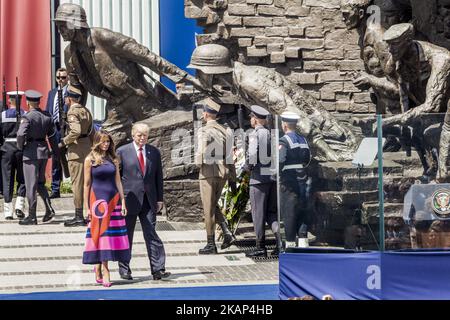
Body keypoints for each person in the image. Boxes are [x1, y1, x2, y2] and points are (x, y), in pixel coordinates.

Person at [53, 3, 204, 147]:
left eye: (62, 26)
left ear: (74, 24)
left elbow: (147, 57)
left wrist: (184, 77)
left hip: (140, 98)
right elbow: (77, 89)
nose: (60, 31)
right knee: (103, 143)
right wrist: (73, 118)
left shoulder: (103, 38)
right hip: (115, 104)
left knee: (157, 138)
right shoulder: (70, 54)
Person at [188, 44, 358, 162]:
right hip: (310, 137)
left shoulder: (251, 82)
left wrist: (329, 153)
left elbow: (291, 112)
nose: (197, 75)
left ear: (211, 72)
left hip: (327, 137)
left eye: (198, 71)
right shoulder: (238, 81)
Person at [117, 123, 170, 281]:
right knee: (127, 235)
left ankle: (158, 269)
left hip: (149, 200)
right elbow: (117, 178)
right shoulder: (122, 151)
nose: (142, 138)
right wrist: (120, 200)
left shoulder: (154, 152)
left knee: (152, 235)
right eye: (139, 135)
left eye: (145, 135)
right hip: (129, 199)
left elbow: (158, 177)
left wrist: (160, 199)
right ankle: (125, 269)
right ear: (133, 135)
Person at [82, 130, 130, 288]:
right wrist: (86, 207)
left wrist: (123, 202)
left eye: (108, 142)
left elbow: (118, 182)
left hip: (113, 202)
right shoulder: (90, 159)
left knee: (109, 238)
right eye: (103, 141)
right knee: (101, 236)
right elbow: (86, 184)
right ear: (96, 142)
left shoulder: (113, 159)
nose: (106, 144)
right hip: (98, 204)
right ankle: (105, 269)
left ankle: (99, 267)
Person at [195, 98, 236, 255]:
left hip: (208, 173)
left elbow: (202, 151)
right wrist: (233, 177)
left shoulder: (204, 130)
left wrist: (198, 163)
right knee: (212, 204)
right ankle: (227, 233)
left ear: (205, 114)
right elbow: (230, 156)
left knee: (208, 208)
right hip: (223, 173)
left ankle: (211, 244)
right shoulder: (225, 131)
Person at [244, 105, 281, 257]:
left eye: (251, 117)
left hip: (259, 179)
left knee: (258, 213)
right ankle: (280, 243)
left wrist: (246, 167)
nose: (250, 120)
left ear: (255, 119)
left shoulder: (255, 134)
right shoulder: (272, 134)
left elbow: (252, 157)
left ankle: (260, 247)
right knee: (271, 213)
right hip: (272, 178)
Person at [17, 90, 58, 225]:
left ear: (28, 102)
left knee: (31, 185)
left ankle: (32, 216)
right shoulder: (47, 116)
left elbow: (21, 134)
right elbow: (52, 136)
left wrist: (20, 147)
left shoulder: (27, 117)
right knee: (40, 183)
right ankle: (49, 208)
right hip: (43, 151)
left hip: (31, 153)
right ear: (38, 102)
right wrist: (54, 151)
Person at [60, 85, 93, 227]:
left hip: (76, 151)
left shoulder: (72, 112)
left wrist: (64, 141)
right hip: (87, 148)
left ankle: (79, 215)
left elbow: (75, 131)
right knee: (88, 182)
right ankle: (90, 212)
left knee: (77, 183)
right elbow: (91, 130)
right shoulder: (86, 110)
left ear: (69, 98)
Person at [279, 112, 312, 248]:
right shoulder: (303, 140)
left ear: (285, 125)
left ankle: (290, 246)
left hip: (289, 181)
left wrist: (276, 173)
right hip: (302, 180)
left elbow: (280, 160)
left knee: (289, 214)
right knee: (302, 212)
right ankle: (303, 243)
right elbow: (308, 159)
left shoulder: (284, 141)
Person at [1, 91, 26, 220]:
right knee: (22, 179)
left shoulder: (2, 115)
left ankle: (8, 211)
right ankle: (19, 206)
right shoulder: (25, 114)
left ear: (10, 100)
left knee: (7, 179)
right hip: (21, 149)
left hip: (6, 150)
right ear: (20, 100)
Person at [45, 68, 69, 199]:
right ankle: (55, 188)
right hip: (54, 129)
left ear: (68, 78)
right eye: (58, 77)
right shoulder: (52, 93)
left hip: (66, 129)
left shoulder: (71, 93)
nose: (61, 80)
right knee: (56, 159)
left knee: (70, 159)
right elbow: (48, 111)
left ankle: (74, 183)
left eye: (63, 77)